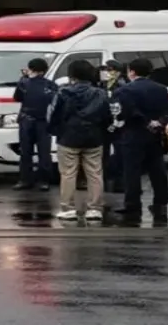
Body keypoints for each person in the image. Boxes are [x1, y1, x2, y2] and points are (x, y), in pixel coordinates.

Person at [47, 59, 113, 221]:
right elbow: (107, 116)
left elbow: (53, 115)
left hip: (68, 137)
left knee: (68, 174)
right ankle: (95, 208)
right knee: (95, 173)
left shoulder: (63, 93)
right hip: (94, 137)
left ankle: (68, 208)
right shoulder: (100, 93)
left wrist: (56, 131)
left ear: (71, 75)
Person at [111, 58, 168, 222]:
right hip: (155, 134)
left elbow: (125, 112)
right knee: (157, 170)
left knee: (132, 171)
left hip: (133, 134)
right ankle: (161, 201)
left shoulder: (124, 90)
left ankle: (132, 204)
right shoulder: (161, 89)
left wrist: (146, 122)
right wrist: (159, 122)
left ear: (132, 71)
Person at [12, 57, 57, 191]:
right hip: (43, 121)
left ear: (31, 69)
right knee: (44, 152)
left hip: (26, 119)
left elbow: (17, 98)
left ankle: (25, 179)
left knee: (26, 152)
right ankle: (44, 181)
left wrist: (23, 78)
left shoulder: (24, 83)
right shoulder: (50, 85)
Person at [100, 60, 130, 192]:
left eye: (109, 70)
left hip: (119, 124)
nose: (106, 72)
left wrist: (118, 121)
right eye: (105, 70)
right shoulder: (102, 85)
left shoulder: (123, 87)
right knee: (103, 153)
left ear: (117, 72)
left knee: (120, 153)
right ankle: (105, 181)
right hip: (104, 124)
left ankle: (120, 182)